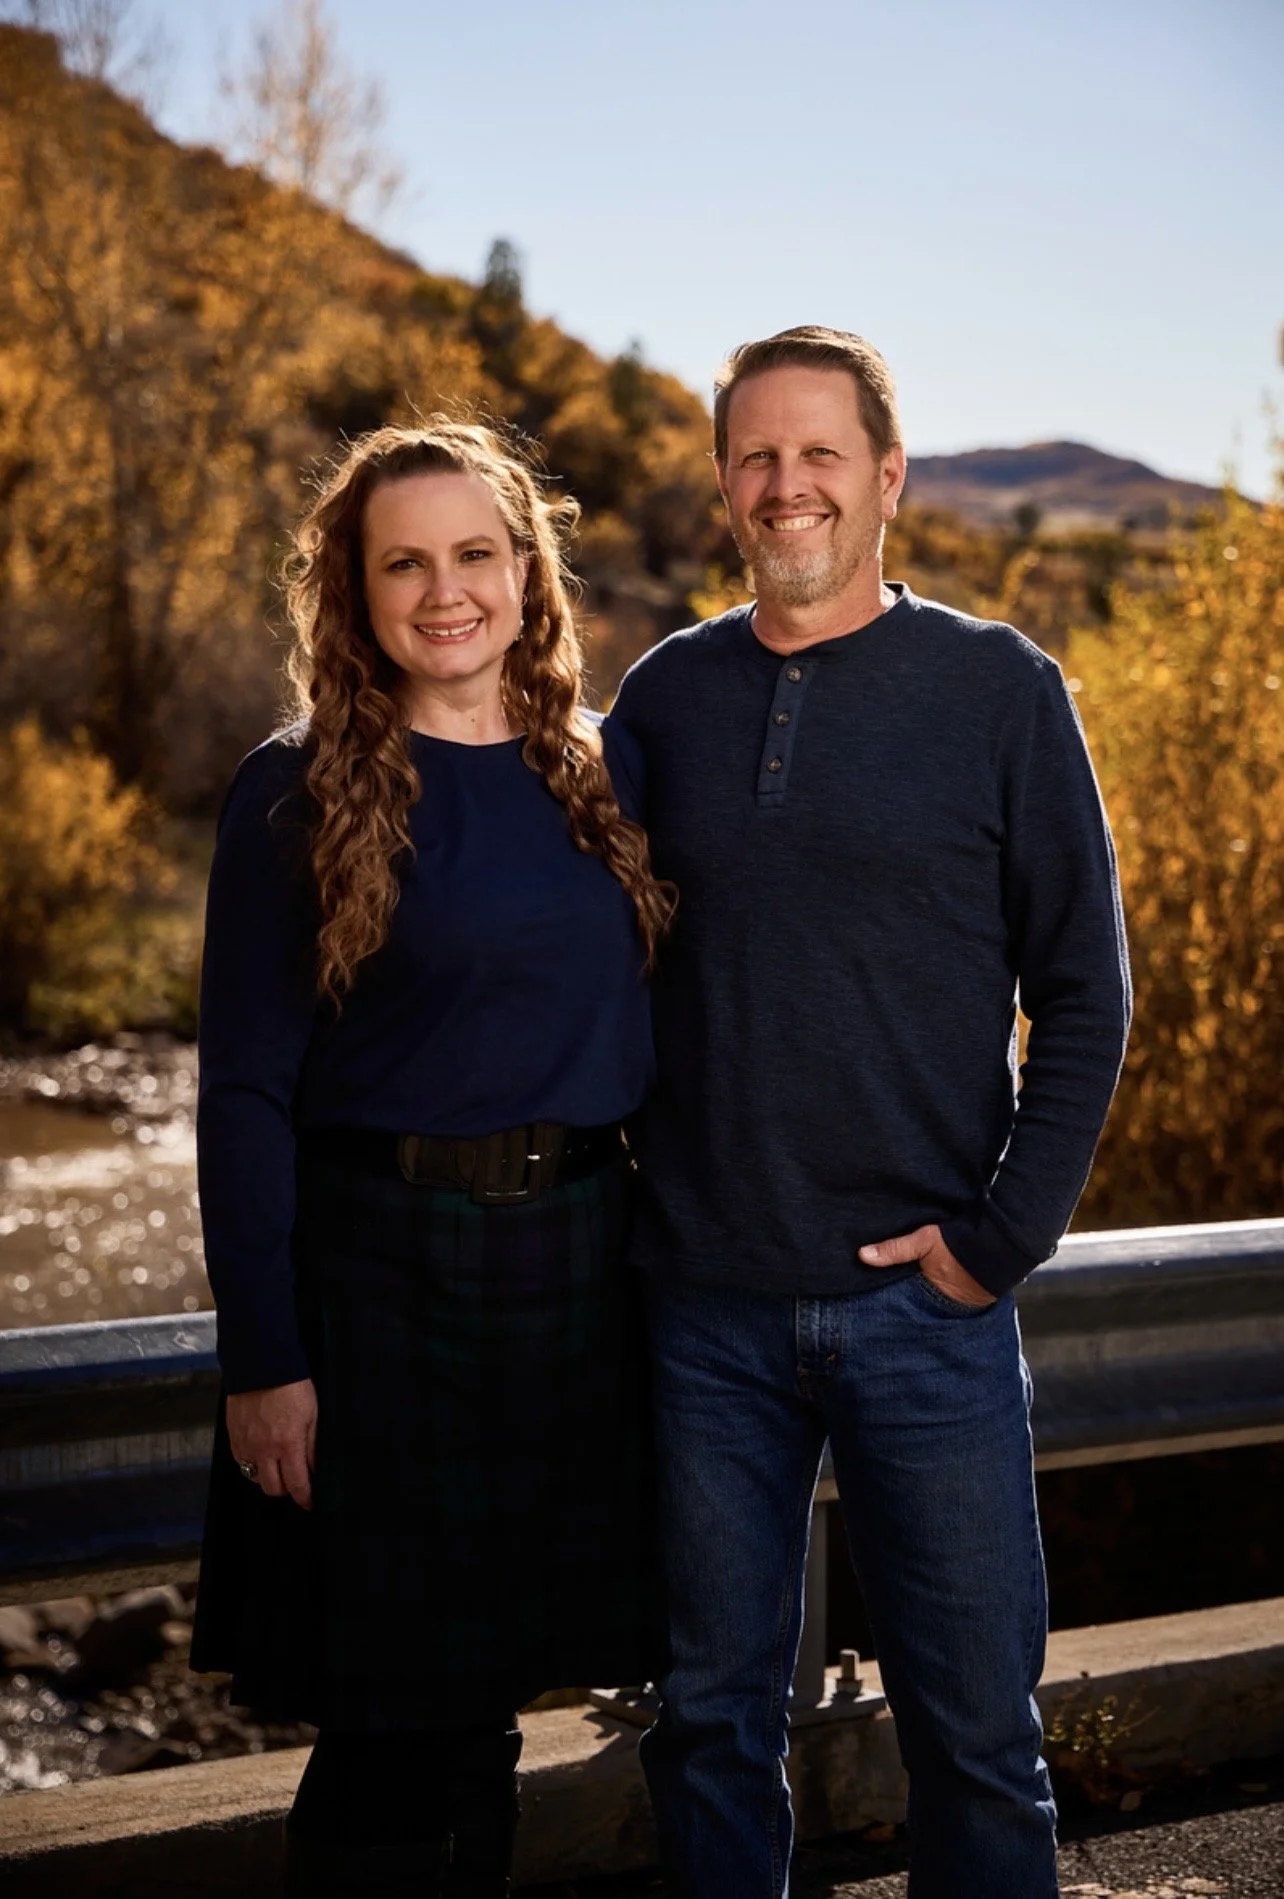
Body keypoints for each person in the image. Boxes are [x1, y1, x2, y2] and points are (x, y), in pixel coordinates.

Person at [609, 326, 1131, 1899]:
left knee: (976, 1732)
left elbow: (1087, 993)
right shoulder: (665, 700)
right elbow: (592, 967)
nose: (788, 487)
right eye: (757, 459)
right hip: (706, 1309)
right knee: (708, 1721)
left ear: (887, 476)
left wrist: (999, 1241)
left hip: (928, 1312)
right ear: (724, 486)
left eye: (821, 454)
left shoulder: (998, 689)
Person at [189, 418, 673, 1899]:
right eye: (405, 561)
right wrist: (266, 1358)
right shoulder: (295, 787)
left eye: (476, 553)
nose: (444, 589)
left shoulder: (607, 768)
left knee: (495, 1711)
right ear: (355, 588)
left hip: (582, 1279)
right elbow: (244, 1094)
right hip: (381, 1286)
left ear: (527, 574)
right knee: (395, 1723)